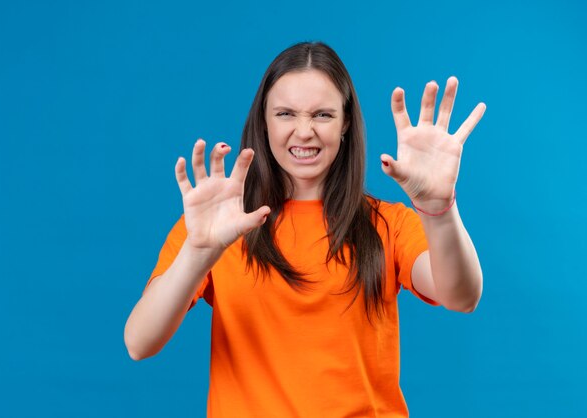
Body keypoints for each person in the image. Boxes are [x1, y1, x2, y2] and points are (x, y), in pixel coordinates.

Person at [124, 41, 485, 417]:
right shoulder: (218, 226)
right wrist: (198, 253)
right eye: (285, 113)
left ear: (345, 122)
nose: (304, 131)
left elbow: (462, 296)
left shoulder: (387, 224)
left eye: (322, 115)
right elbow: (139, 342)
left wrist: (437, 209)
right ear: (263, 121)